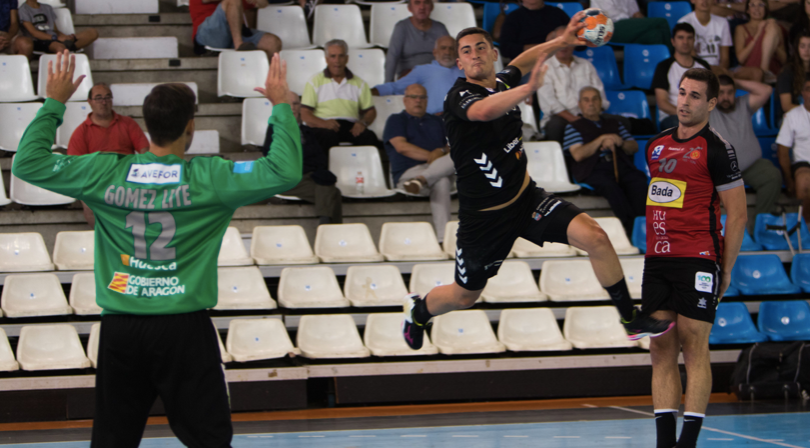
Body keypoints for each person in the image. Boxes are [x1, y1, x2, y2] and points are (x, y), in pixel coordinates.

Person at [13, 50, 301, 446]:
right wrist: (282, 107)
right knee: (209, 440)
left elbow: (27, 164)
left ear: (147, 127)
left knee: (113, 440)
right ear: (191, 127)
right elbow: (284, 170)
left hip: (121, 327)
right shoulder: (210, 177)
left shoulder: (103, 170)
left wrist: (54, 102)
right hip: (184, 328)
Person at [401, 21, 675, 353]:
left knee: (597, 238)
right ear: (460, 62)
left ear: (493, 54)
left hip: (526, 199)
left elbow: (523, 60)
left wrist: (561, 39)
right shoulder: (460, 95)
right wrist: (527, 89)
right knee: (464, 296)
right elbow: (484, 111)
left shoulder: (501, 80)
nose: (474, 55)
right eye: (466, 51)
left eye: (481, 48)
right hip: (485, 220)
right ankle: (419, 310)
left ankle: (630, 319)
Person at [644, 68, 747, 448]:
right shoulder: (654, 146)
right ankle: (664, 444)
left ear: (710, 103)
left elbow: (737, 214)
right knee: (660, 348)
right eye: (682, 93)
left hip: (698, 258)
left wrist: (727, 268)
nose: (684, 102)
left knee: (693, 345)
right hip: (657, 259)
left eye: (693, 96)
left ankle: (687, 442)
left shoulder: (717, 148)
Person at [563, 87, 647, 235]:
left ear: (601, 102)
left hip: (621, 165)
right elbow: (578, 155)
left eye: (595, 99)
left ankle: (644, 226)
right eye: (586, 100)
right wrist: (601, 140)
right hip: (594, 169)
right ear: (580, 104)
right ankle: (630, 228)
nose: (591, 103)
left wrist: (619, 142)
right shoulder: (573, 127)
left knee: (638, 181)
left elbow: (633, 146)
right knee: (610, 187)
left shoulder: (615, 124)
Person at [68, 82, 150, 228]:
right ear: (90, 102)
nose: (103, 102)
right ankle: (103, 238)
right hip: (97, 181)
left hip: (127, 178)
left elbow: (145, 152)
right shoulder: (81, 132)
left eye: (107, 97)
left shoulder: (128, 123)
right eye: (98, 98)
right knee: (88, 204)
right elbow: (75, 166)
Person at [711, 75, 782, 228]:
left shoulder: (743, 104)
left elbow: (766, 89)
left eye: (730, 92)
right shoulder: (708, 109)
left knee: (772, 176)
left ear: (735, 92)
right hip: (721, 171)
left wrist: (734, 79)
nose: (725, 97)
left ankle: (761, 226)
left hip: (751, 166)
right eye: (721, 92)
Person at [384, 84, 454, 239]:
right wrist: (433, 155)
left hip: (434, 172)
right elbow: (402, 147)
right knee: (441, 180)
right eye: (413, 97)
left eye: (422, 97)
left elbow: (451, 146)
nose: (418, 101)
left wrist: (441, 151)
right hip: (409, 173)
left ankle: (421, 180)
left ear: (427, 101)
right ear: (405, 100)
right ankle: (444, 238)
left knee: (458, 154)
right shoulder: (396, 120)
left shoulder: (437, 121)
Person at [262, 91, 342, 225]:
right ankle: (329, 229)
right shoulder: (276, 129)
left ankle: (327, 226)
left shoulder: (307, 131)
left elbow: (319, 158)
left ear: (300, 107)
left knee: (329, 188)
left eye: (295, 103)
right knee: (331, 191)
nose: (292, 107)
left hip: (305, 177)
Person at [301, 39, 380, 152]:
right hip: (322, 125)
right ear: (326, 59)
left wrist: (362, 122)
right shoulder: (314, 81)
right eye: (333, 56)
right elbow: (304, 114)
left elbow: (371, 112)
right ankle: (324, 169)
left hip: (350, 126)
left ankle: (361, 169)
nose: (337, 61)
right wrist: (323, 123)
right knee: (328, 136)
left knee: (368, 136)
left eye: (341, 56)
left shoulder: (360, 83)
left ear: (347, 58)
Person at [537, 26, 612, 144]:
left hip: (589, 115)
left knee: (620, 122)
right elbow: (550, 102)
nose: (564, 46)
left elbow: (600, 96)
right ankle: (563, 162)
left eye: (568, 41)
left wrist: (589, 117)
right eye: (560, 41)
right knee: (555, 126)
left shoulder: (586, 65)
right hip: (562, 118)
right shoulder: (545, 68)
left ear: (575, 43)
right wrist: (576, 120)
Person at [373, 36, 463, 115]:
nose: (447, 52)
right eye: (443, 48)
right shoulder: (423, 70)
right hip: (436, 120)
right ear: (435, 52)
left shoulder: (465, 71)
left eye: (451, 48)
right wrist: (368, 92)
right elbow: (395, 87)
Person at [678, 0, 761, 80]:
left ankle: (730, 84)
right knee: (717, 74)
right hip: (697, 70)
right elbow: (691, 57)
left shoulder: (722, 22)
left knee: (757, 73)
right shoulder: (684, 23)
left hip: (720, 70)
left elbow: (725, 58)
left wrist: (722, 71)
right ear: (693, 0)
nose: (705, 1)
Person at [653, 23, 711, 130]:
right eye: (681, 38)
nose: (685, 42)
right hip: (673, 116)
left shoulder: (704, 66)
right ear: (673, 41)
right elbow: (662, 103)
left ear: (694, 41)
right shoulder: (663, 67)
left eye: (689, 38)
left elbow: (711, 96)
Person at [385, 0, 449, 83]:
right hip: (409, 75)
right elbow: (392, 57)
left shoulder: (440, 28)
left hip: (435, 75)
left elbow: (450, 54)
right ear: (410, 8)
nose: (422, 7)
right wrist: (388, 84)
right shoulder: (402, 27)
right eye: (417, 2)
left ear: (432, 7)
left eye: (426, 2)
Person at [190, 0, 281, 57]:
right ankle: (239, 45)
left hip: (236, 32)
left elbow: (264, 3)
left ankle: (267, 83)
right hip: (208, 33)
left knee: (272, 42)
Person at [776, 75, 810, 224]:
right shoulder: (792, 116)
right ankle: (807, 228)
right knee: (804, 181)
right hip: (803, 163)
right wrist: (789, 180)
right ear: (802, 93)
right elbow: (783, 151)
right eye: (809, 89)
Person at [733, 0, 787, 84]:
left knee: (772, 25)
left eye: (761, 5)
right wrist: (758, 34)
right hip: (752, 69)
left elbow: (784, 59)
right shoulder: (741, 28)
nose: (757, 9)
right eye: (752, 5)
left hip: (772, 71)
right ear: (747, 10)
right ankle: (764, 71)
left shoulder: (775, 29)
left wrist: (772, 43)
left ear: (766, 9)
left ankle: (765, 71)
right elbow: (741, 59)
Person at [498, 0, 570, 60]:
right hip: (528, 63)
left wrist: (559, 34)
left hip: (558, 60)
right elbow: (505, 49)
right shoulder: (513, 17)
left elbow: (579, 43)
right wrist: (543, 47)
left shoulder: (557, 13)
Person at [18, 0, 97, 54]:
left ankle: (68, 46)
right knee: (60, 48)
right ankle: (67, 48)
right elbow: (33, 33)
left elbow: (55, 30)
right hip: (39, 41)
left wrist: (65, 37)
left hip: (55, 38)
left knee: (92, 33)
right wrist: (55, 38)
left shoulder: (47, 8)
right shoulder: (23, 9)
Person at [590, 0, 672, 50]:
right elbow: (612, 15)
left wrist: (645, 23)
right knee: (661, 22)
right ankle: (673, 60)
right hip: (607, 29)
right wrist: (645, 24)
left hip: (626, 26)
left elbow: (635, 13)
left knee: (655, 35)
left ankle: (660, 68)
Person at [778, 31, 810, 113]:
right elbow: (786, 106)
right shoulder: (787, 71)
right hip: (792, 116)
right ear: (797, 49)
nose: (806, 50)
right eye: (802, 46)